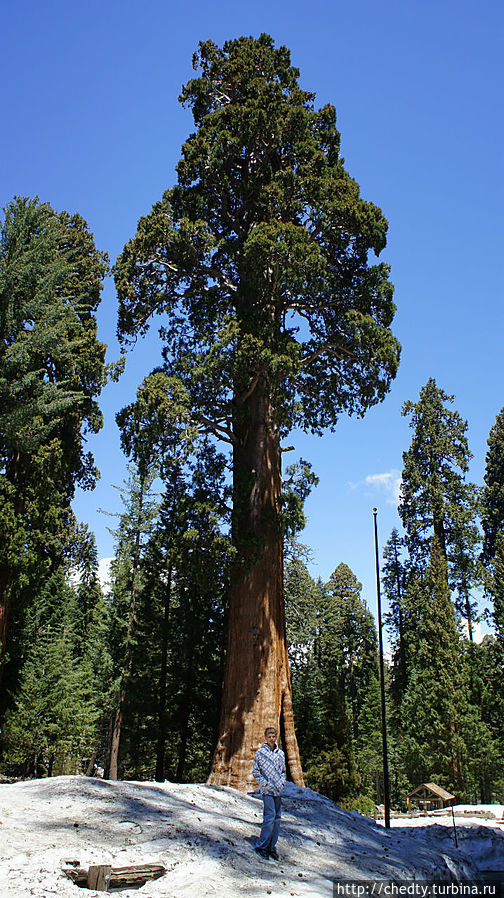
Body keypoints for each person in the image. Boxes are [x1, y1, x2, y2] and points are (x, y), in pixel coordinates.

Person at [252, 726, 286, 860]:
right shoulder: (260, 753)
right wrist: (264, 783)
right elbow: (256, 771)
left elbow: (283, 771)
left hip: (278, 789)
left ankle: (272, 847)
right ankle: (262, 846)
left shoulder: (280, 754)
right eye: (269, 737)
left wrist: (282, 782)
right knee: (269, 817)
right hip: (267, 790)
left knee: (277, 818)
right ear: (266, 738)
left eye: (274, 736)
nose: (272, 739)